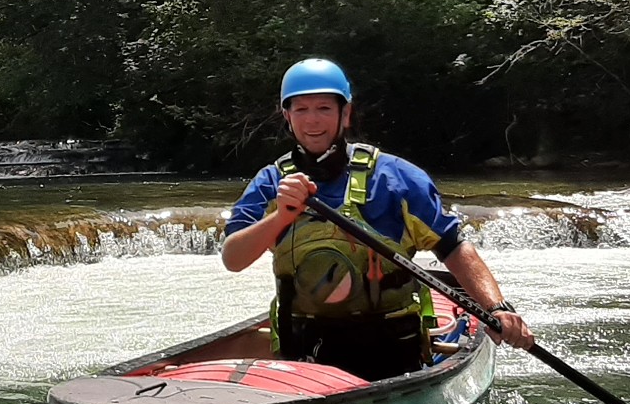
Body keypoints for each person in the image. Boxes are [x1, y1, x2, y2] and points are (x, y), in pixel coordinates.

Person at [221, 58, 535, 381]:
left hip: (391, 352)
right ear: (287, 116)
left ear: (345, 114)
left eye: (324, 108)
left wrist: (497, 308)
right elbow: (233, 258)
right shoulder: (271, 183)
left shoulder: (396, 178)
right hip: (305, 355)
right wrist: (280, 218)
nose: (312, 120)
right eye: (300, 110)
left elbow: (452, 247)